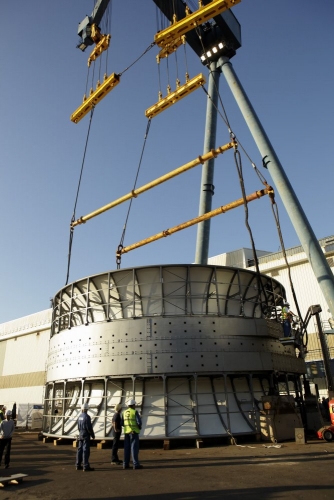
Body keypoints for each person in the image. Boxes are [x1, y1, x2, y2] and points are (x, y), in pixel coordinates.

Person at [122, 399, 143, 470]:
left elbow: (122, 423)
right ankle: (136, 464)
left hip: (126, 432)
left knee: (126, 449)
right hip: (134, 432)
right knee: (134, 448)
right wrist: (139, 427)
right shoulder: (134, 412)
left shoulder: (124, 412)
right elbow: (139, 422)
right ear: (133, 405)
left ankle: (125, 464)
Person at [76, 403, 95, 472]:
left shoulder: (80, 416)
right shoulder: (87, 417)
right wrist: (92, 435)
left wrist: (80, 432)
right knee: (85, 450)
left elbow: (78, 426)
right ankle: (85, 466)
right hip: (86, 434)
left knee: (79, 449)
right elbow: (89, 427)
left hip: (80, 433)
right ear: (87, 409)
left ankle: (78, 465)